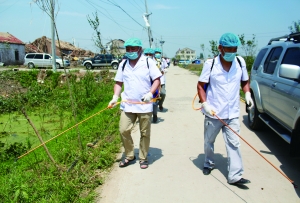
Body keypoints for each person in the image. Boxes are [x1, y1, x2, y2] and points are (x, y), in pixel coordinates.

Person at [197, 33, 254, 185]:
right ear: (220, 48)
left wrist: (247, 93)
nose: (231, 52)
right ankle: (208, 163)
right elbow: (201, 86)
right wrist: (205, 104)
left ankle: (235, 176)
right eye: (228, 49)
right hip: (213, 112)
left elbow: (245, 81)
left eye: (234, 49)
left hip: (233, 113)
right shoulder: (211, 64)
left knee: (234, 143)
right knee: (209, 140)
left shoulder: (240, 62)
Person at [108, 38, 162, 169]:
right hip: (128, 104)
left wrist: (150, 93)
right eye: (128, 49)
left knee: (145, 133)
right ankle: (129, 155)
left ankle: (143, 157)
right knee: (123, 129)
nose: (130, 51)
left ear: (140, 49)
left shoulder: (148, 62)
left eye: (133, 49)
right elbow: (118, 82)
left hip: (144, 104)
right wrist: (115, 97)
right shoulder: (123, 64)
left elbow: (157, 80)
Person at [144, 48, 160, 123]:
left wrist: (158, 89)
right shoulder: (141, 63)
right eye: (146, 54)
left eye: (150, 54)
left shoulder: (156, 63)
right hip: (144, 86)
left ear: (153, 55)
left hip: (153, 86)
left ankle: (155, 114)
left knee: (154, 103)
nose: (148, 56)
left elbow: (157, 79)